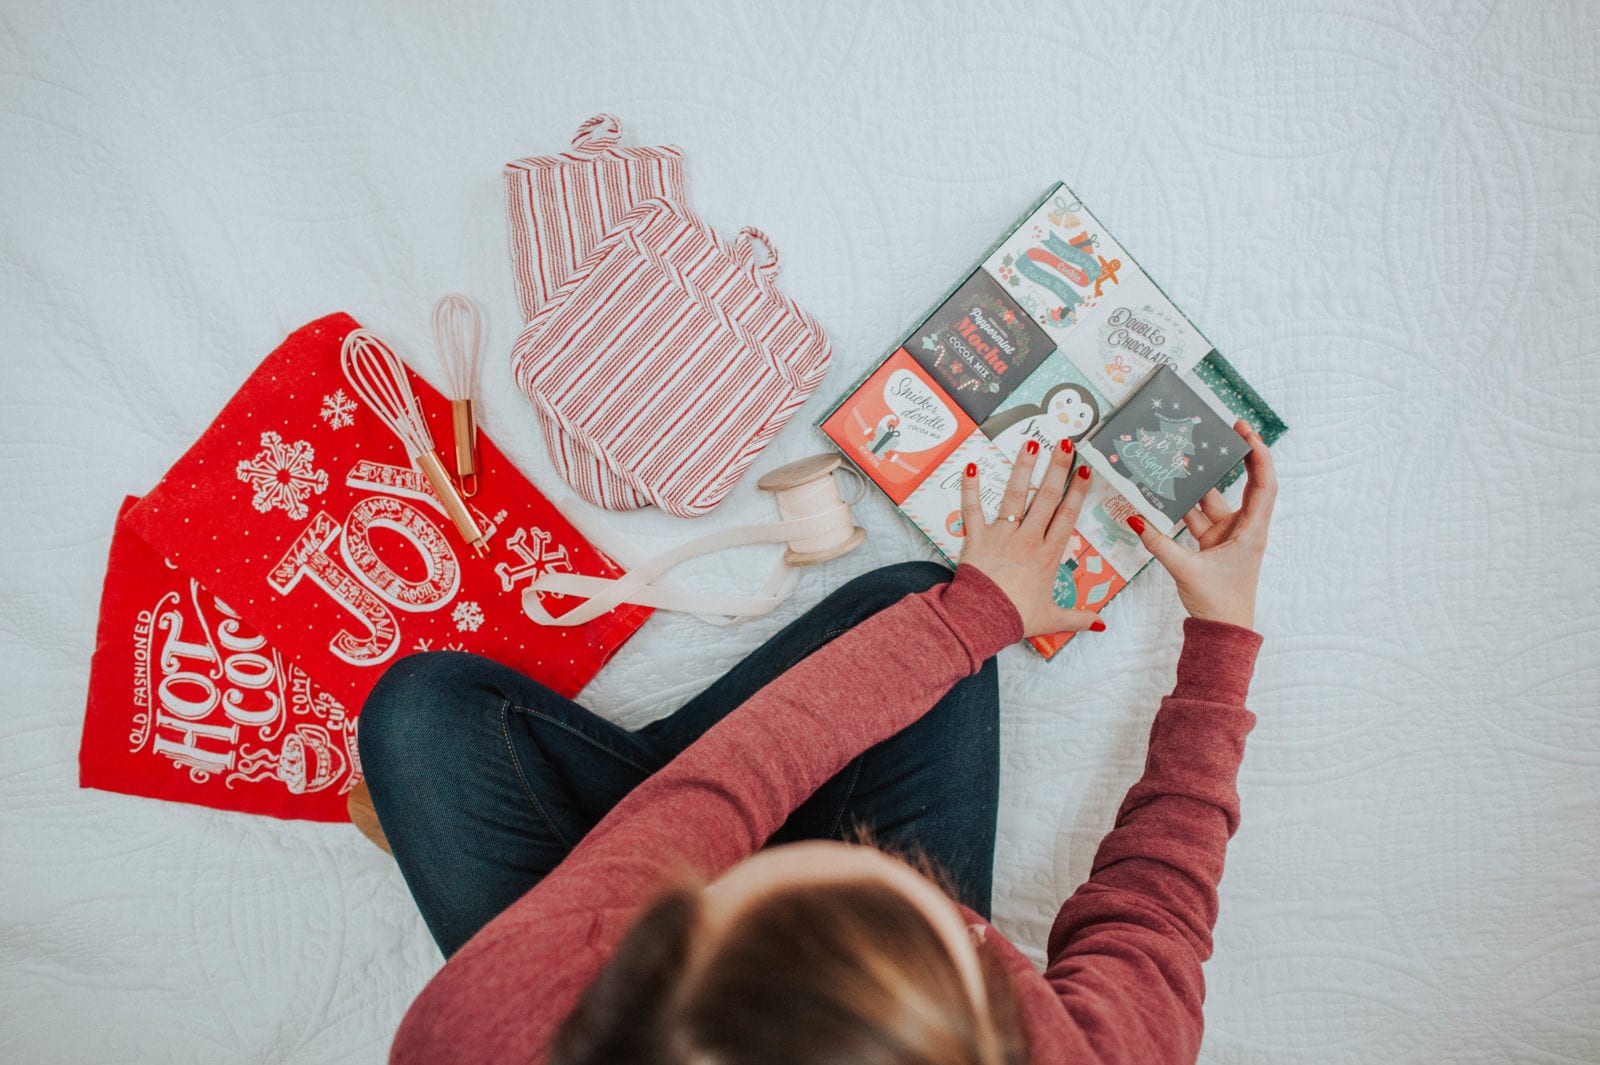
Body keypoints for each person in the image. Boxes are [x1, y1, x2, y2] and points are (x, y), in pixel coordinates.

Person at [359, 420, 1276, 1065]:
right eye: (938, 923)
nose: (881, 867)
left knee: (417, 714)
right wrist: (1222, 636)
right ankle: (598, 834)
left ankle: (591, 842)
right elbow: (1156, 912)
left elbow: (721, 793)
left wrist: (972, 617)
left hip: (574, 956)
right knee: (914, 610)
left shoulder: (484, 1030)